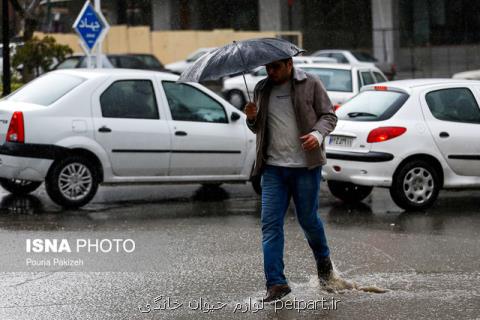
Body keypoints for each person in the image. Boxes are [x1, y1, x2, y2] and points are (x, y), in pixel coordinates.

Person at [244, 57, 337, 302]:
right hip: (273, 168)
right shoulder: (262, 88)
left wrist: (317, 134)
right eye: (266, 67)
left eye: (275, 67)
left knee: (308, 220)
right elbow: (258, 128)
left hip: (305, 167)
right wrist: (252, 118)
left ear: (288, 64)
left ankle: (323, 262)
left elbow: (329, 116)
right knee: (270, 225)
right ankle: (276, 284)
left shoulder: (311, 83)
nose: (270, 72)